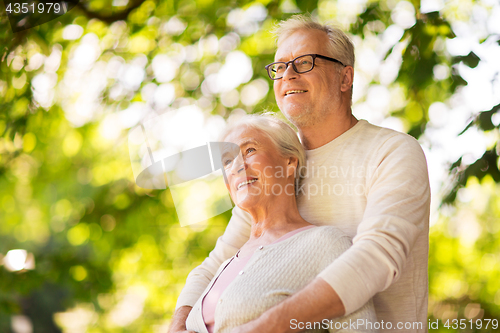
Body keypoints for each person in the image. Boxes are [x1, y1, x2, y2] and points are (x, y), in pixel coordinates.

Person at [170, 15, 430, 333]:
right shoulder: (272, 170)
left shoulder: (391, 151)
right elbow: (217, 264)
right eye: (279, 67)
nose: (288, 75)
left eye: (304, 62)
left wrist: (268, 325)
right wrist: (179, 325)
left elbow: (377, 257)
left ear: (344, 78)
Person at [184, 114, 377, 333]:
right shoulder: (226, 264)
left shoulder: (325, 244)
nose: (237, 166)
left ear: (289, 162)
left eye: (250, 150)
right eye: (228, 161)